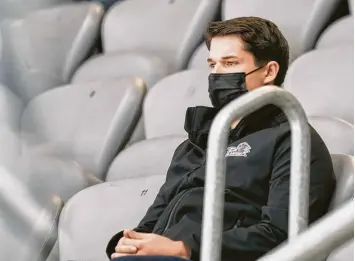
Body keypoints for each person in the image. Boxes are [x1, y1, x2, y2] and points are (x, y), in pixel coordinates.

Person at [106, 16, 336, 261]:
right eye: (212, 65)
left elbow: (281, 233)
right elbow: (152, 222)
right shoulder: (194, 143)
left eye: (229, 63)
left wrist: (186, 248)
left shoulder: (294, 139)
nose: (216, 75)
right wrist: (127, 243)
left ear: (269, 71)